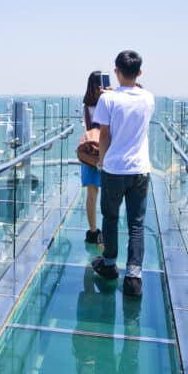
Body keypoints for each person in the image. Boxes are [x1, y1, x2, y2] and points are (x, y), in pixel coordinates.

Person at [91, 50, 155, 297]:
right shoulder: (148, 98)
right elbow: (137, 94)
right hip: (140, 169)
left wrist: (101, 161)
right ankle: (133, 277)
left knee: (110, 217)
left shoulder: (107, 100)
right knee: (136, 224)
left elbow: (104, 136)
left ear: (116, 71)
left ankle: (109, 265)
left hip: (114, 168)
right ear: (140, 72)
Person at [80, 71, 105, 249]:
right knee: (109, 193)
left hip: (90, 152)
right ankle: (106, 229)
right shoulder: (107, 104)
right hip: (105, 150)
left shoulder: (85, 107)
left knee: (92, 192)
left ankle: (93, 230)